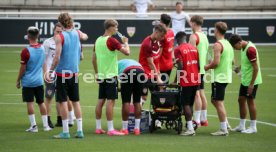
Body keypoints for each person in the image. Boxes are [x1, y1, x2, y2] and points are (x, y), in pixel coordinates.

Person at [47, 13, 88, 139]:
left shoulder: (60, 37)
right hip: (74, 72)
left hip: (62, 73)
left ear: (60, 23)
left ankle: (65, 131)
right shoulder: (77, 33)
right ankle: (80, 130)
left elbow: (57, 57)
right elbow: (85, 37)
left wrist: (50, 70)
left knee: (63, 101)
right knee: (76, 101)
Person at [93, 19, 130, 136]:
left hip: (102, 75)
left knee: (100, 101)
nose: (117, 29)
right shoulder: (112, 41)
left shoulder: (98, 40)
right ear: (110, 27)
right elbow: (127, 52)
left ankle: (98, 128)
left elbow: (93, 59)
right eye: (116, 27)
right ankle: (110, 129)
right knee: (111, 101)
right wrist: (126, 42)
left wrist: (97, 73)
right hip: (111, 76)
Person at [16, 26, 52, 132]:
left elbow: (23, 68)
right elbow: (44, 63)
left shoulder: (26, 51)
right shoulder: (42, 48)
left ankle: (34, 126)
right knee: (41, 102)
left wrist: (18, 80)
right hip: (39, 81)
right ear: (38, 36)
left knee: (30, 103)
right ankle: (46, 126)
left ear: (28, 36)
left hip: (28, 82)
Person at [43, 23, 76, 128]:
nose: (59, 33)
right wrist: (46, 73)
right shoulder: (48, 42)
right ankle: (47, 119)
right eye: (57, 31)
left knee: (63, 98)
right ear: (53, 31)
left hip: (62, 73)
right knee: (49, 97)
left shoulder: (64, 40)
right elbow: (44, 60)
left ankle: (61, 119)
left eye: (60, 31)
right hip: (51, 74)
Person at [204, 22, 234, 136]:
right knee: (215, 100)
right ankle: (225, 123)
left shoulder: (218, 45)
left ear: (216, 30)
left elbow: (216, 63)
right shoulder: (227, 44)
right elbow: (232, 61)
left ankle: (223, 129)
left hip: (219, 77)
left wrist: (207, 66)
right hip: (226, 76)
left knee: (218, 101)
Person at [229, 34, 262, 134]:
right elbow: (247, 63)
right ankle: (242, 125)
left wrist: (251, 85)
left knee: (250, 101)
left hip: (252, 81)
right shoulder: (244, 47)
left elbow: (255, 68)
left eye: (235, 47)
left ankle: (253, 127)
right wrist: (238, 68)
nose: (235, 49)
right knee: (241, 100)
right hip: (245, 80)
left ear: (239, 42)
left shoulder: (250, 50)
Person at [173, 31, 200, 136]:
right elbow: (199, 65)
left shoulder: (178, 49)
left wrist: (176, 80)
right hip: (196, 78)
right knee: (190, 104)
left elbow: (180, 66)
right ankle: (190, 125)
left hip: (187, 80)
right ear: (186, 38)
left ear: (177, 40)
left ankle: (190, 129)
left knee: (185, 104)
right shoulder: (194, 48)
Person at [189, 15, 209, 127]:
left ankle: (196, 121)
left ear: (193, 23)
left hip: (194, 69)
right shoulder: (205, 36)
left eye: (190, 23)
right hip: (201, 69)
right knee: (201, 93)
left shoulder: (194, 36)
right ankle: (204, 119)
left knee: (196, 95)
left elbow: (190, 54)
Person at [138, 24, 167, 101]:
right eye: (161, 36)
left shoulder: (157, 42)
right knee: (144, 97)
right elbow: (150, 63)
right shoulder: (147, 44)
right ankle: (135, 112)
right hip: (145, 73)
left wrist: (159, 72)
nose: (162, 38)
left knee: (157, 95)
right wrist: (158, 78)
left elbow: (156, 60)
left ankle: (157, 112)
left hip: (153, 73)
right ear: (156, 32)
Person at [118, 59, 145, 135]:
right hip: (141, 71)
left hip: (128, 71)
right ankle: (137, 129)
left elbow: (116, 81)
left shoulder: (115, 66)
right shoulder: (124, 62)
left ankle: (125, 128)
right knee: (137, 101)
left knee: (126, 101)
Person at [159, 14, 175, 84]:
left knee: (159, 89)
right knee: (164, 86)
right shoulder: (171, 32)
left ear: (162, 23)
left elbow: (159, 53)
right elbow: (172, 46)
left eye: (160, 21)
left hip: (161, 66)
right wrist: (173, 57)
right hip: (169, 65)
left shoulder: (162, 35)